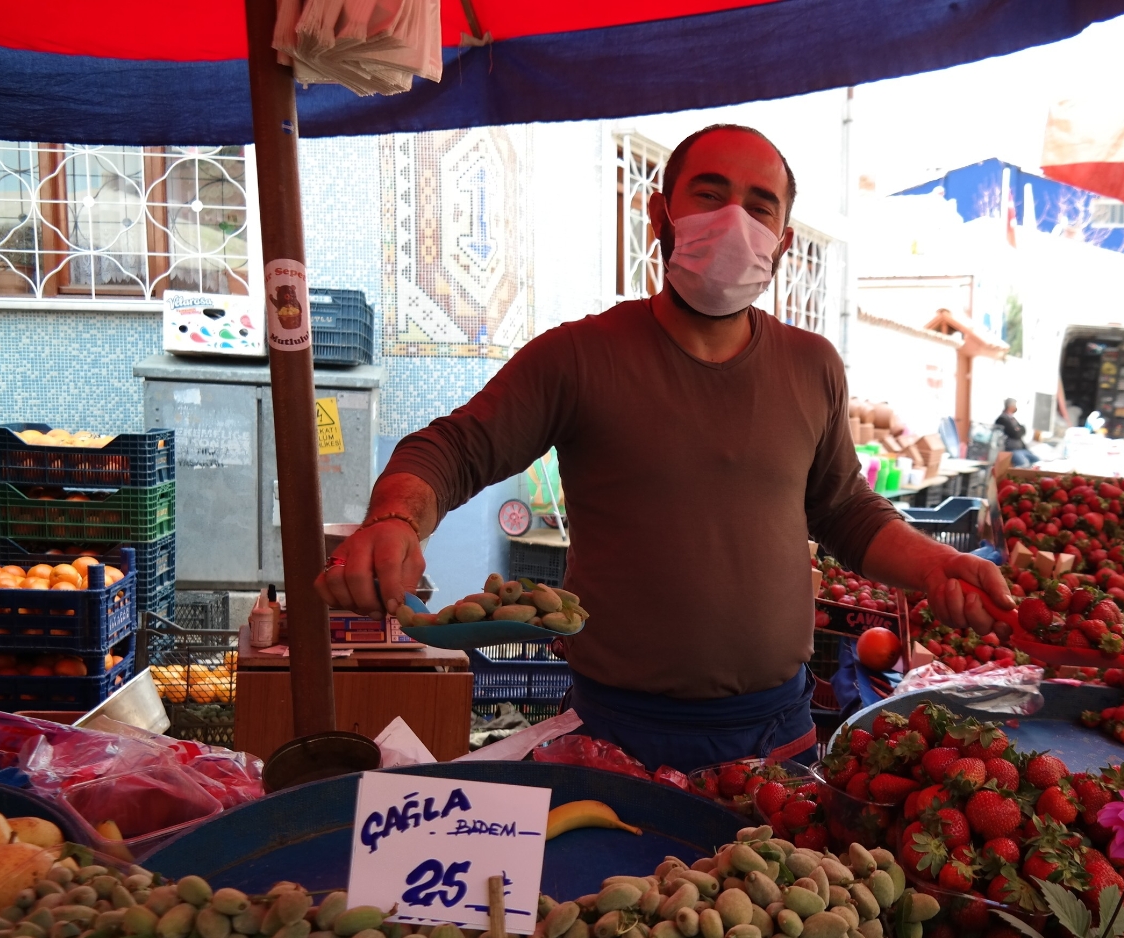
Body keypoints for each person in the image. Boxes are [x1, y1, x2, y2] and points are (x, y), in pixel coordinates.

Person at [317, 123, 1014, 771]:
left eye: (760, 206)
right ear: (660, 217)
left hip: (779, 733)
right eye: (709, 195)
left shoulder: (813, 366)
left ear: (782, 243)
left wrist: (938, 565)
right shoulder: (579, 357)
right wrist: (396, 519)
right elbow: (452, 449)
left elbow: (845, 511)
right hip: (620, 737)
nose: (735, 220)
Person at [993, 399, 1034, 467]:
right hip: (1011, 450)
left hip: (1021, 449)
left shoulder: (1012, 419)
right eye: (1014, 405)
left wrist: (1018, 430)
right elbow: (1014, 434)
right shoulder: (1002, 419)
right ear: (1010, 406)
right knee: (1023, 465)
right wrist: (1018, 430)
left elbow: (1022, 430)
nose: (1016, 407)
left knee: (1037, 461)